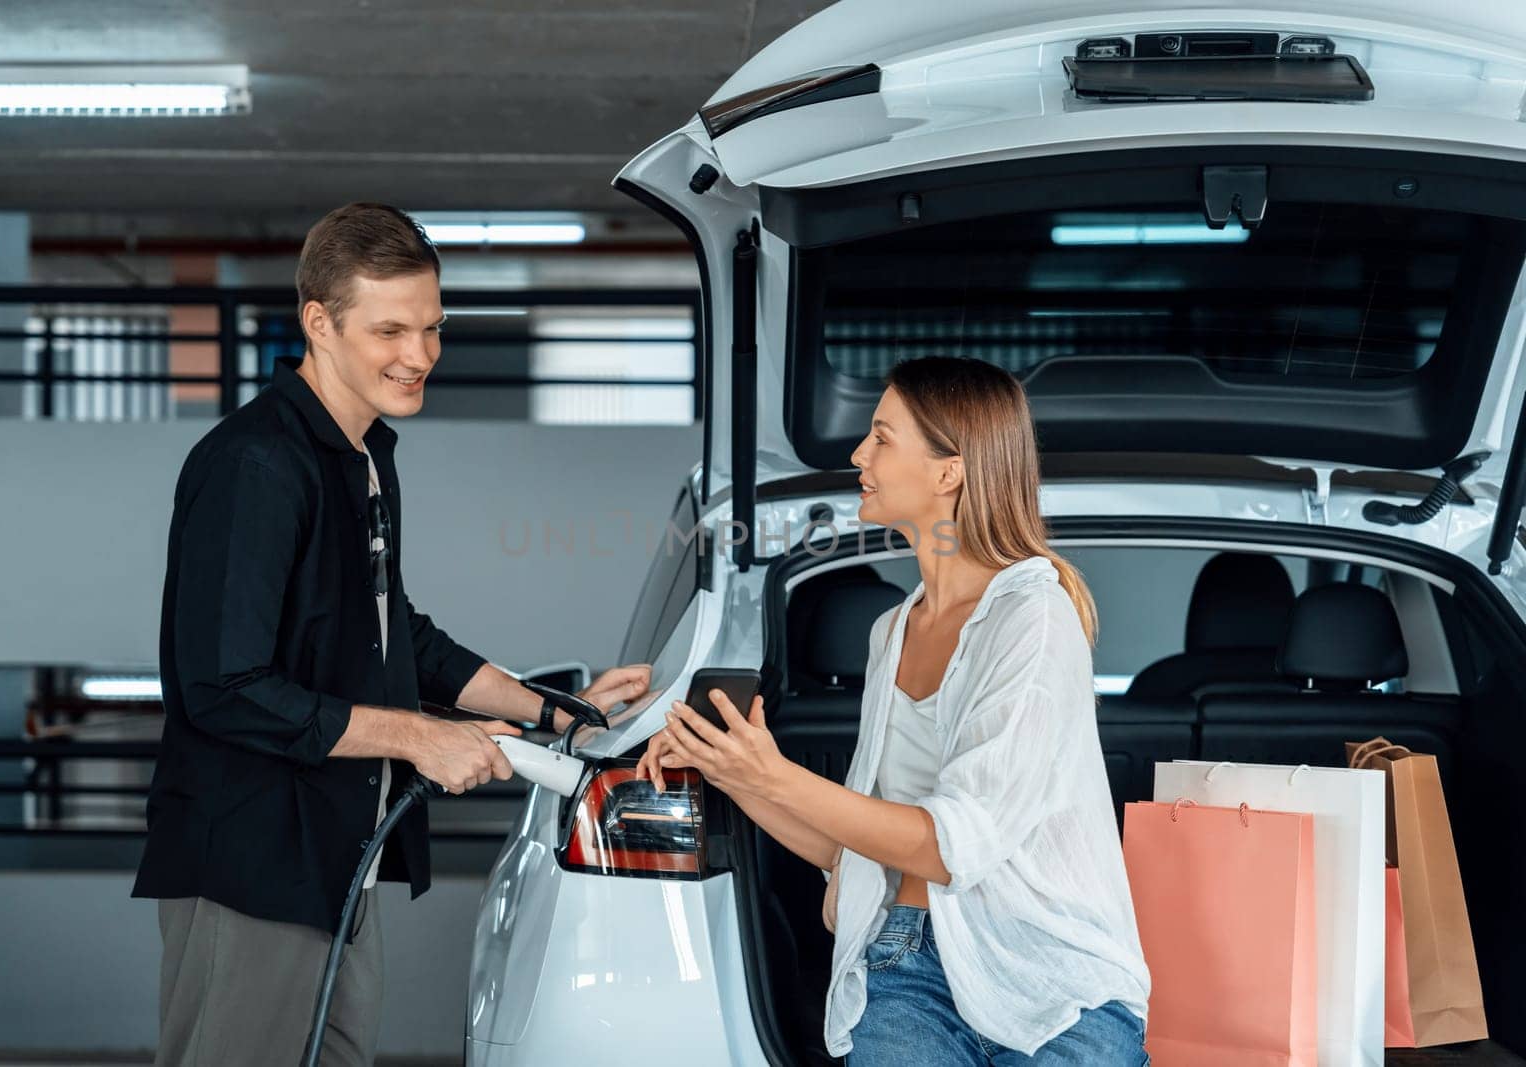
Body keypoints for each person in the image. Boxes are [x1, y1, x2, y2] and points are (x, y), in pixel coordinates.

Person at [133, 202, 651, 1066]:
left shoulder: (365, 454)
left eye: (433, 328)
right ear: (319, 323)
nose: (420, 356)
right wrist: (419, 736)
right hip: (253, 865)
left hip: (337, 858)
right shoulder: (255, 467)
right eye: (391, 331)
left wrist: (557, 713)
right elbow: (222, 688)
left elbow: (392, 631)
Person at [638, 355, 1151, 1065]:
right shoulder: (892, 630)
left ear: (950, 470)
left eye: (882, 436)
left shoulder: (1034, 618)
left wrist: (774, 774)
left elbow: (950, 845)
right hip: (907, 963)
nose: (858, 454)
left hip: (1048, 980)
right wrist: (731, 767)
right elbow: (854, 846)